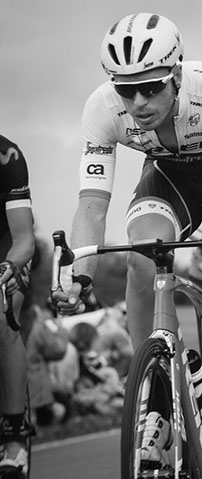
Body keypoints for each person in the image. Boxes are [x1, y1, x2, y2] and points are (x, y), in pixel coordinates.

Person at [51, 13, 202, 478]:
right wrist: (79, 277)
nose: (138, 102)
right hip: (171, 178)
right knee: (142, 256)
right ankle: (156, 393)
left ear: (176, 74)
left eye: (151, 87)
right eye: (126, 90)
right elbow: (92, 207)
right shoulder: (102, 108)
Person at [0, 134, 35, 476]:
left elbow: (24, 237)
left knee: (3, 315)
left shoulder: (6, 156)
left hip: (7, 243)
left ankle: (14, 434)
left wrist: (8, 267)